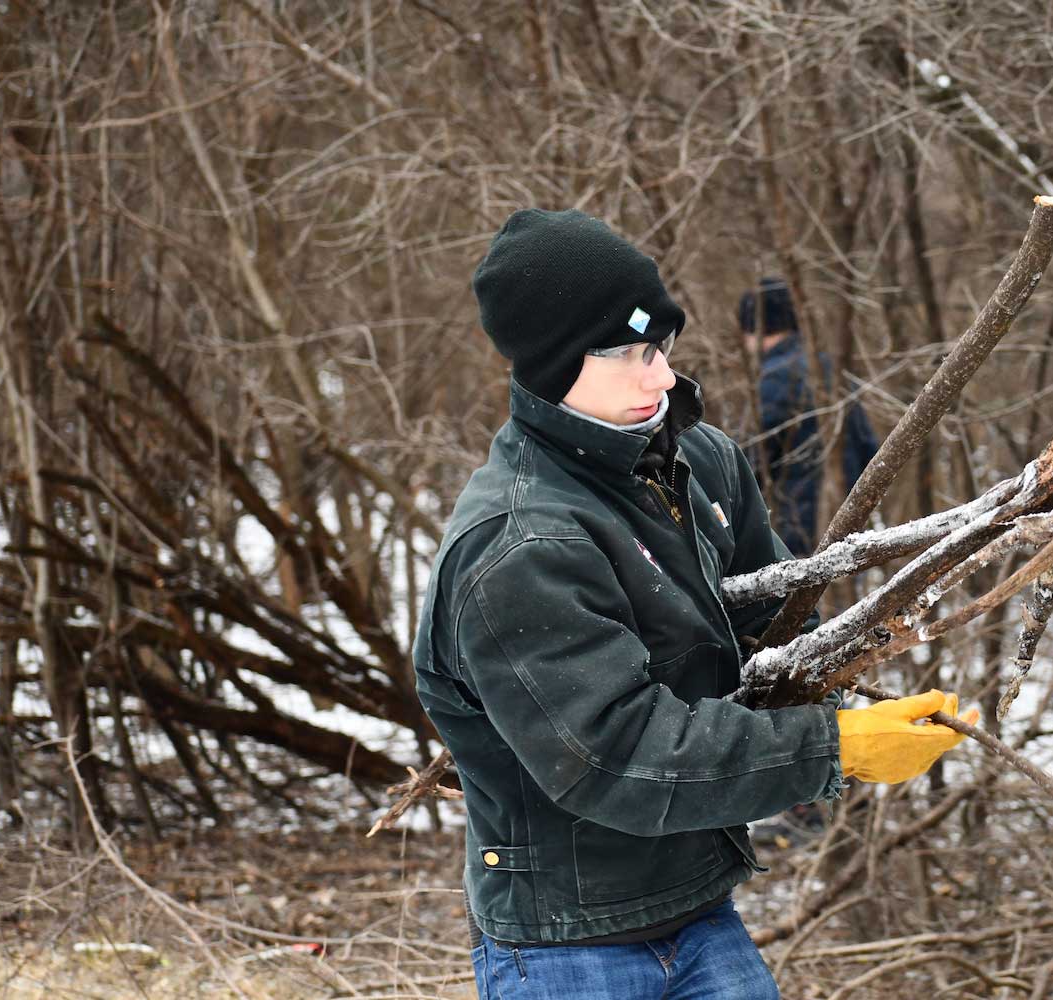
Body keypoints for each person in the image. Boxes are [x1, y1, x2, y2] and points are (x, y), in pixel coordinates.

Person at [413, 209, 976, 1000]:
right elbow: (616, 753)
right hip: (566, 943)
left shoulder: (696, 461)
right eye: (626, 355)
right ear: (551, 364)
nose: (661, 377)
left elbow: (776, 628)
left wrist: (844, 670)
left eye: (662, 346)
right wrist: (829, 748)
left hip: (695, 902)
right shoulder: (520, 545)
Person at [738, 278, 881, 558]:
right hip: (848, 529)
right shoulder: (829, 368)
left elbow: (746, 468)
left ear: (754, 328)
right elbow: (870, 449)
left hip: (796, 536)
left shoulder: (777, 378)